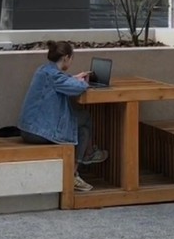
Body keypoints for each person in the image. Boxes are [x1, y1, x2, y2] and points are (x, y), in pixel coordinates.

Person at [17, 41, 109, 192]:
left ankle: (79, 165)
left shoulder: (44, 70)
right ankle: (83, 161)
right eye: (72, 58)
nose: (71, 62)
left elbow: (61, 81)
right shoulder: (54, 76)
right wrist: (84, 82)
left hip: (29, 128)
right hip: (37, 132)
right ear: (66, 58)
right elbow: (76, 88)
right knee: (85, 118)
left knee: (82, 128)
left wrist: (74, 77)